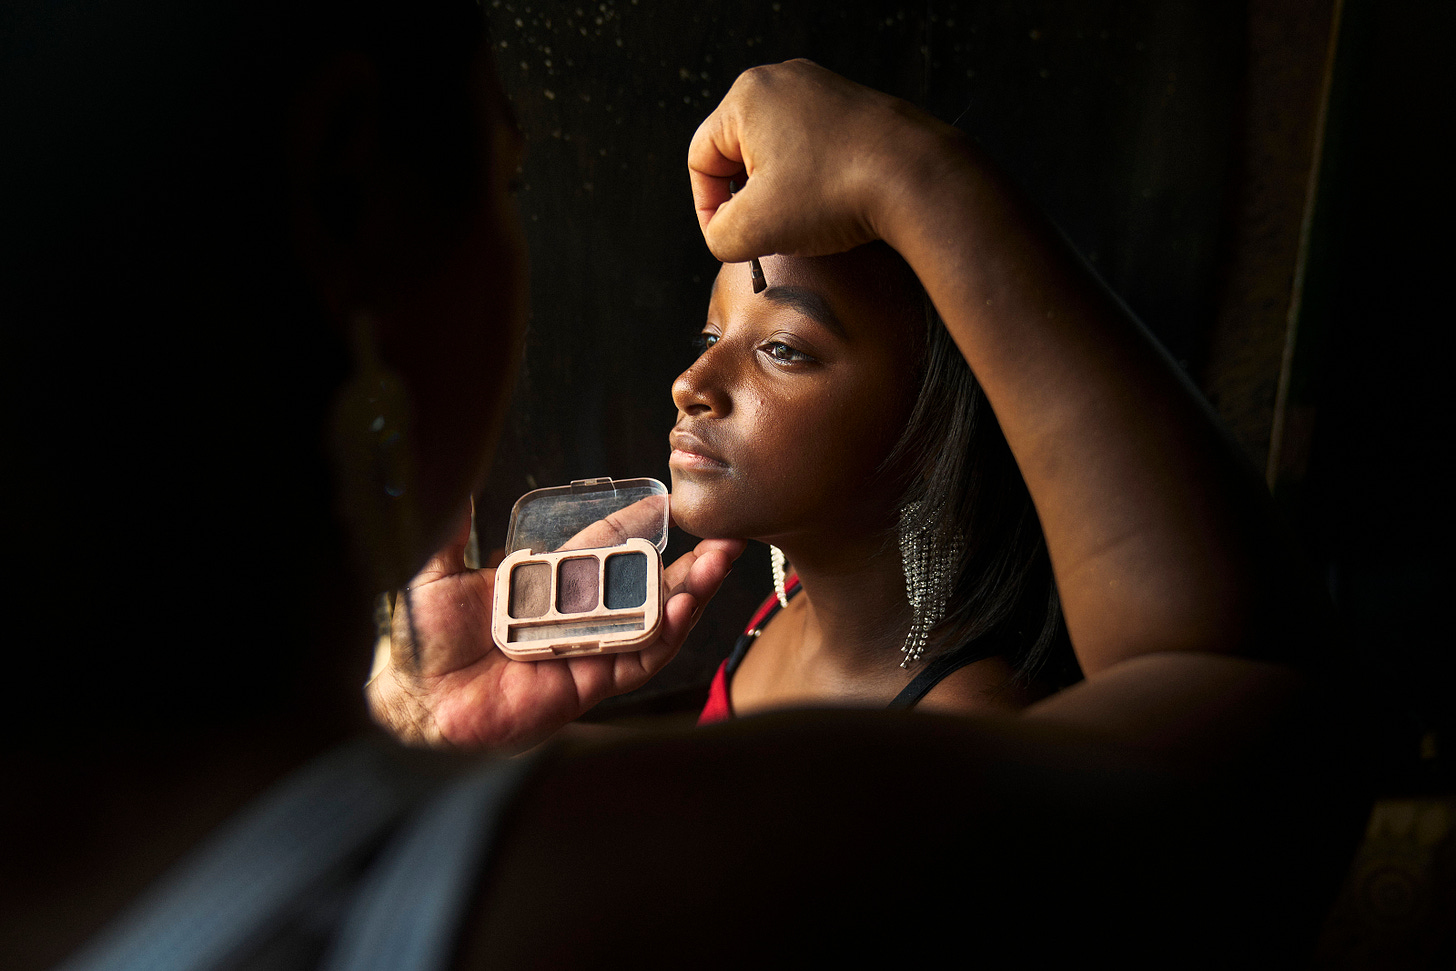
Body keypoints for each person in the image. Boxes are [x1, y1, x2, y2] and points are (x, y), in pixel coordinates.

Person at [4, 0, 1363, 963]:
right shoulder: (670, 883)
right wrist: (911, 166)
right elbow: (1252, 724)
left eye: (777, 348)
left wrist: (407, 736)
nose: (690, 383)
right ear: (354, 201)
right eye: (507, 168)